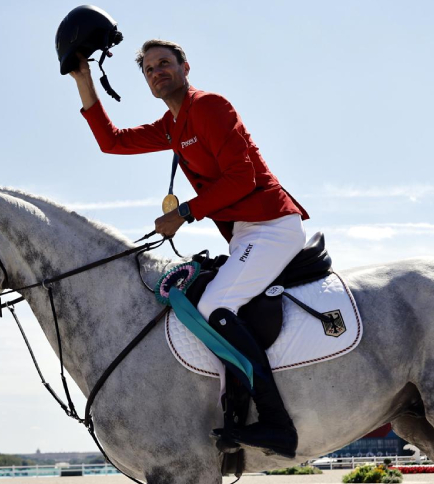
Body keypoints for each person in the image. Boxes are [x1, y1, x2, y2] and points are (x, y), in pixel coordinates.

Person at [69, 37, 309, 458]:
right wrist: (83, 78)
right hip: (245, 234)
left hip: (272, 226)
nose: (157, 71)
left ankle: (276, 423)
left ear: (185, 67)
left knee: (215, 306)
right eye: (148, 69)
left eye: (165, 63)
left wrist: (184, 213)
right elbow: (112, 141)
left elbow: (243, 178)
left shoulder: (210, 106)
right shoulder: (171, 125)